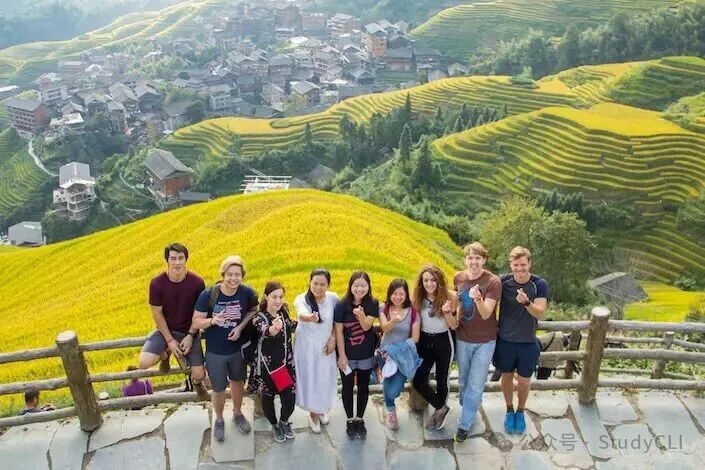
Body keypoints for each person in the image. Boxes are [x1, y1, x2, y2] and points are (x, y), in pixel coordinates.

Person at [191, 255, 259, 442]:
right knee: (219, 389)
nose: (233, 278)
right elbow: (196, 321)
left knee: (238, 383)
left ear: (242, 276)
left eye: (237, 274)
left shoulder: (247, 293)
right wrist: (212, 321)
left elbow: (253, 310)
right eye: (229, 274)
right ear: (223, 274)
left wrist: (239, 327)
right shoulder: (209, 294)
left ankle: (237, 413)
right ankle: (219, 419)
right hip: (215, 352)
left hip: (238, 350)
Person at [139, 243, 208, 401]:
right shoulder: (157, 283)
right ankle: (165, 356)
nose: (177, 262)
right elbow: (157, 313)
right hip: (166, 331)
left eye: (181, 258)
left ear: (186, 259)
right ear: (167, 260)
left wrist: (191, 335)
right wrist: (169, 340)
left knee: (199, 375)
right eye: (173, 258)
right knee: (144, 362)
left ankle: (196, 385)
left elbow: (200, 312)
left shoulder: (197, 282)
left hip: (189, 331)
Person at [494, 246, 549, 435]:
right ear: (511, 265)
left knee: (524, 381)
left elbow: (540, 312)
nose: (519, 269)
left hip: (527, 341)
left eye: (523, 265)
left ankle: (520, 410)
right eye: (516, 265)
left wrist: (526, 302)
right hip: (505, 341)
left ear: (529, 263)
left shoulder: (539, 284)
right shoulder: (503, 281)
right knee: (506, 377)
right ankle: (509, 409)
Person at [453, 242, 501, 442]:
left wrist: (478, 299)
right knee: (464, 382)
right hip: (463, 338)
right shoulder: (458, 277)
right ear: (465, 259)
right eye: (470, 258)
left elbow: (486, 312)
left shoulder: (493, 282)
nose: (474, 262)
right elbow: (455, 302)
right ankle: (470, 409)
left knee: (475, 383)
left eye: (478, 258)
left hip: (485, 341)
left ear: (484, 260)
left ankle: (464, 425)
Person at [249, 281, 298, 443]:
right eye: (274, 297)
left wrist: (308, 320)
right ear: (266, 297)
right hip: (268, 368)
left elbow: (290, 325)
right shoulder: (259, 317)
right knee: (268, 400)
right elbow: (265, 330)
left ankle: (284, 421)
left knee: (289, 400)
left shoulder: (283, 312)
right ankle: (275, 425)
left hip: (283, 367)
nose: (278, 301)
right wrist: (274, 328)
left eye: (281, 297)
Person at [411, 264, 458, 431]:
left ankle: (439, 413)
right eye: (425, 280)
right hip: (424, 342)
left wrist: (447, 312)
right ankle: (441, 407)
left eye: (433, 280)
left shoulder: (450, 296)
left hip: (443, 341)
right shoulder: (417, 298)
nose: (429, 284)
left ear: (439, 281)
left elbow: (454, 326)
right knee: (418, 380)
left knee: (442, 379)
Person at [334, 271, 379, 440]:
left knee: (363, 387)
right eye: (356, 285)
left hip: (366, 354)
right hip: (347, 355)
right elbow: (338, 331)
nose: (359, 289)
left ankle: (360, 418)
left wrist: (360, 315)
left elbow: (367, 327)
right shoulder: (341, 304)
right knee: (347, 387)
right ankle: (349, 420)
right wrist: (342, 356)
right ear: (350, 286)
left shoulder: (372, 302)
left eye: (363, 285)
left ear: (368, 287)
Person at [293, 268, 337, 433]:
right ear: (310, 282)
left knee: (324, 378)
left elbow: (337, 322)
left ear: (328, 285)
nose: (318, 287)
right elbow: (301, 314)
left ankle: (322, 407)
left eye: (322, 284)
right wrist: (310, 317)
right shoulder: (301, 299)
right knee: (311, 379)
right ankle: (313, 412)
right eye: (315, 283)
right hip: (307, 348)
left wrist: (333, 338)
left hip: (326, 346)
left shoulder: (333, 298)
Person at [379, 278, 420, 430]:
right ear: (390, 294)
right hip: (386, 355)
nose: (398, 297)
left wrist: (397, 348)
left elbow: (415, 338)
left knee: (394, 390)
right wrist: (393, 321)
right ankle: (391, 412)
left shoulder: (413, 313)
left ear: (406, 295)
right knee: (387, 381)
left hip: (403, 356)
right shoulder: (383, 308)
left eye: (401, 294)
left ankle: (390, 403)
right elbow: (384, 328)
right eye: (395, 293)